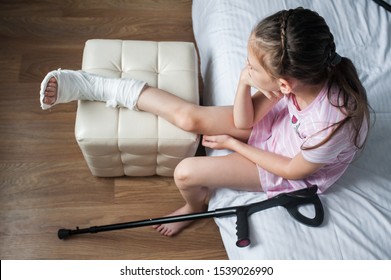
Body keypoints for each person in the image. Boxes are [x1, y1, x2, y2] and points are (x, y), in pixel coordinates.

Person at [40, 8, 370, 237]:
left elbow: (291, 170)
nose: (247, 68)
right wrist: (246, 81)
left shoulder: (332, 125)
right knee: (189, 117)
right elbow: (247, 118)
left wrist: (233, 145)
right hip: (284, 124)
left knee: (186, 171)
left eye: (252, 67)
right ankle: (95, 85)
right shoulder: (299, 75)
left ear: (283, 84)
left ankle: (190, 206)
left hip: (289, 162)